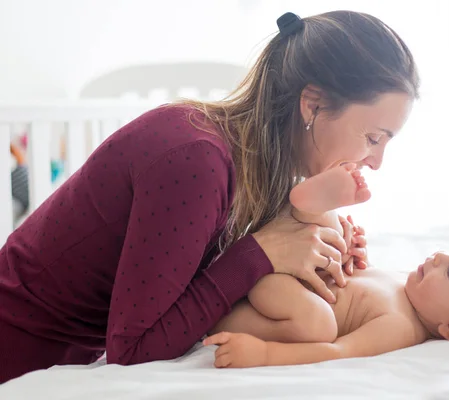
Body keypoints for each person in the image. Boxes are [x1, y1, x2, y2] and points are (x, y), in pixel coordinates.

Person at [0, 10, 419, 383]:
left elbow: (205, 282)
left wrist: (313, 264)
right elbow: (132, 354)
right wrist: (262, 251)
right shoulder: (196, 160)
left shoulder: (259, 168)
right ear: (311, 104)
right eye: (373, 138)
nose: (376, 161)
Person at [203, 165, 449, 367]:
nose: (440, 258)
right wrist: (351, 254)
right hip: (292, 273)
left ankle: (236, 298)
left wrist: (263, 354)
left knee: (319, 325)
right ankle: (313, 201)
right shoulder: (407, 285)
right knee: (334, 235)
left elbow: (336, 351)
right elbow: (354, 283)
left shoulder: (401, 327)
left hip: (259, 304)